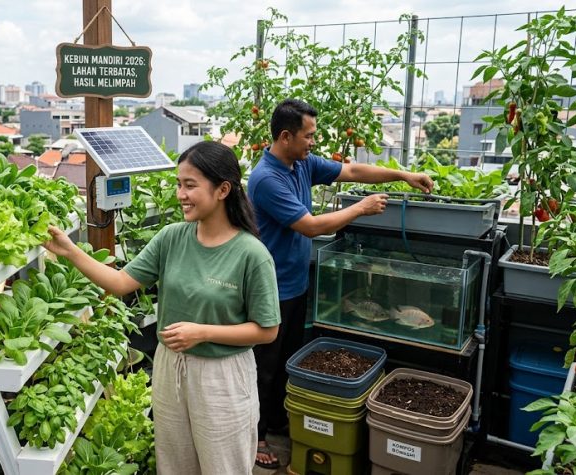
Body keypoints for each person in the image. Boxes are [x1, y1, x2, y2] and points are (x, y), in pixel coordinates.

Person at [44, 140, 281, 474]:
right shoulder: (172, 238)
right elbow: (120, 283)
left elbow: (267, 330)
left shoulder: (251, 255)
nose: (180, 194)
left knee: (223, 466)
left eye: (190, 185)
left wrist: (203, 333)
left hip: (222, 377)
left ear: (223, 189)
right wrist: (70, 251)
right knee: (174, 463)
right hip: (171, 368)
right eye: (178, 184)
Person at [247, 98, 434, 469]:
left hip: (295, 283)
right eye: (308, 135)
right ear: (286, 136)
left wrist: (403, 176)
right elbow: (311, 226)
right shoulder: (266, 178)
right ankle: (255, 437)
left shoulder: (300, 163)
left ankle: (279, 419)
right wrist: (360, 209)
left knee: (285, 361)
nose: (313, 142)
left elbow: (352, 172)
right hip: (270, 289)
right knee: (262, 368)